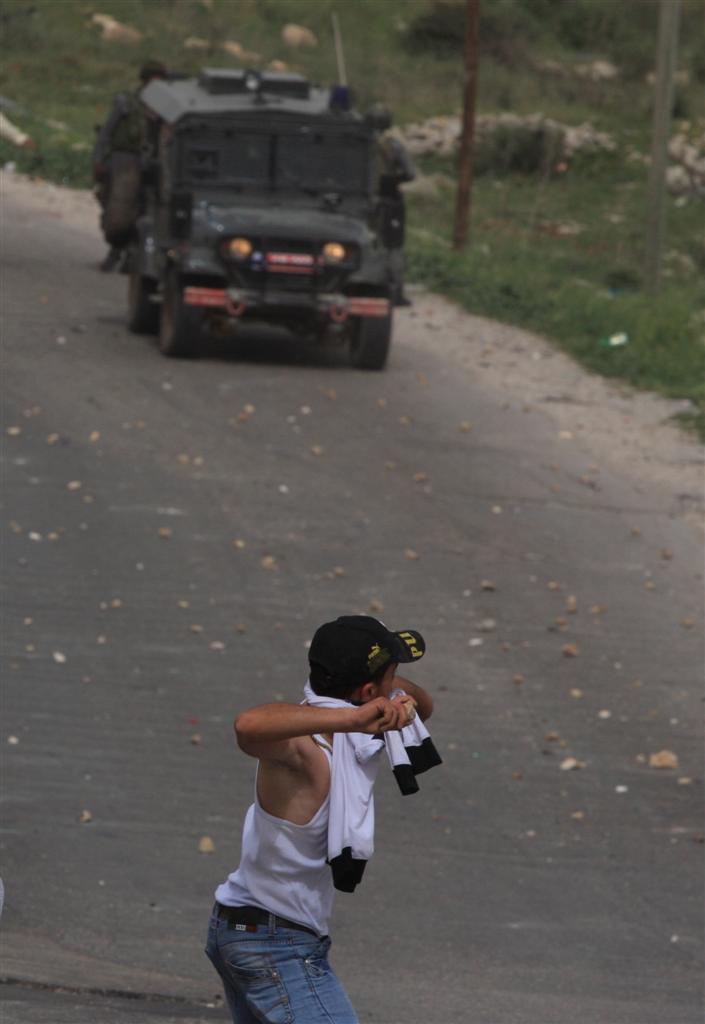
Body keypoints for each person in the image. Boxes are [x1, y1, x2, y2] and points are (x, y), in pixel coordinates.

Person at [205, 615, 441, 1024]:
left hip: (259, 932)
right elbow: (247, 726)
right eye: (393, 676)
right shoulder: (306, 746)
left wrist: (399, 697)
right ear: (367, 692)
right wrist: (355, 716)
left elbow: (427, 703)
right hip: (272, 942)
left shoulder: (343, 724)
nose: (399, 685)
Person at [92, 60, 166, 271]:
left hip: (153, 164)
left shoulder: (166, 106)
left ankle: (131, 256)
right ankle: (115, 252)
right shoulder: (127, 102)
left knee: (147, 211)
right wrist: (99, 160)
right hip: (125, 160)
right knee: (118, 211)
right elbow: (106, 133)